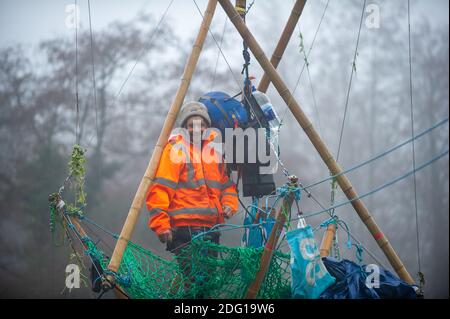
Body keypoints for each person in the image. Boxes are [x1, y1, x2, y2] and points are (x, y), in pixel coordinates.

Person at [146, 101, 238, 259]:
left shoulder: (214, 152)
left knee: (208, 281)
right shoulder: (176, 149)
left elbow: (226, 185)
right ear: (184, 127)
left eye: (201, 124)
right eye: (191, 125)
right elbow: (161, 188)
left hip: (211, 229)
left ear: (207, 126)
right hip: (183, 230)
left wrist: (229, 204)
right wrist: (161, 224)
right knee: (194, 281)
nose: (197, 129)